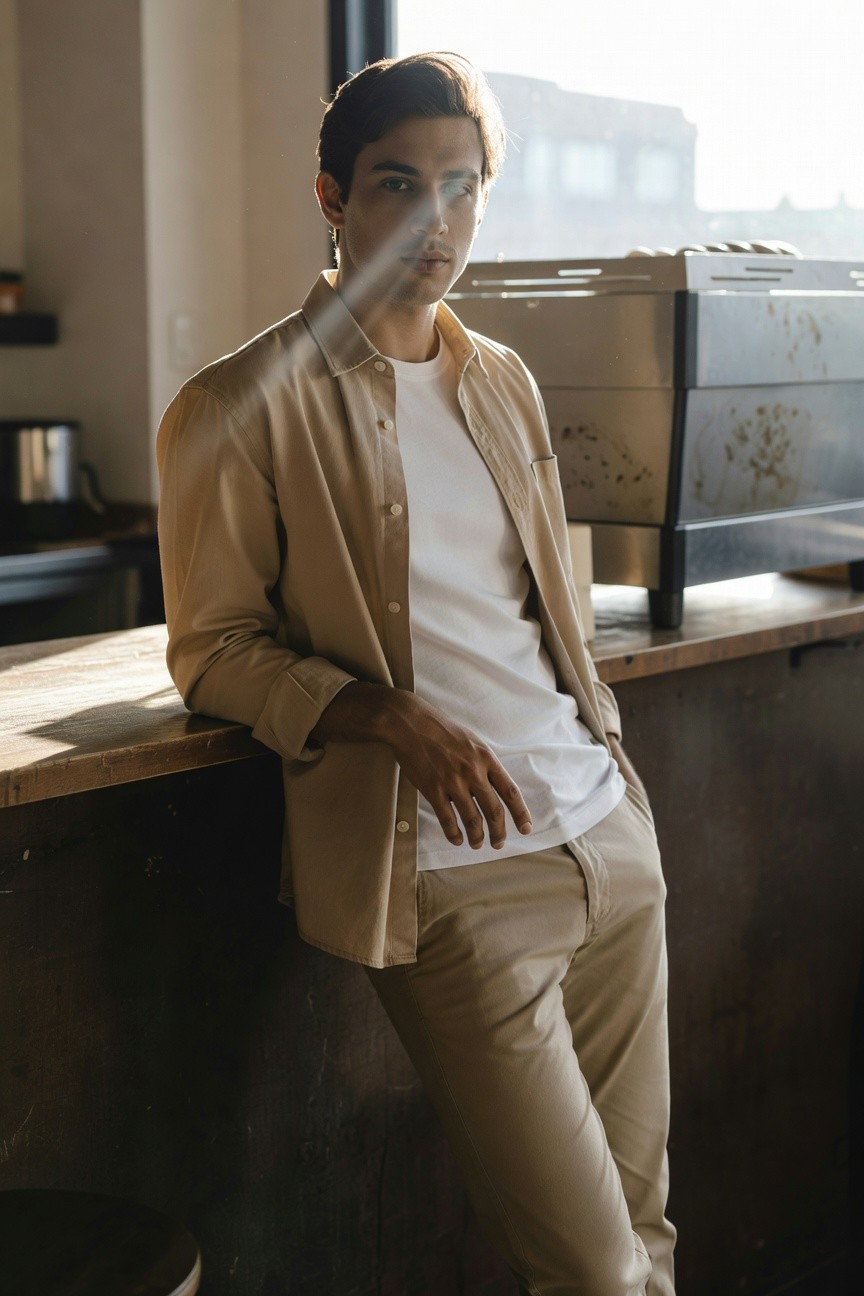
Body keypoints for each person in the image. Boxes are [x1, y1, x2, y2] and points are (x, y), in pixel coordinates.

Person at [156, 51, 676, 1296]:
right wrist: (385, 714)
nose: (435, 224)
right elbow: (211, 652)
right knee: (597, 1275)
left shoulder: (502, 381)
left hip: (608, 844)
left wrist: (608, 759)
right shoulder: (233, 406)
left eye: (462, 187)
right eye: (400, 184)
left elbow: (543, 604)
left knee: (650, 1248)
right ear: (334, 198)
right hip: (451, 884)